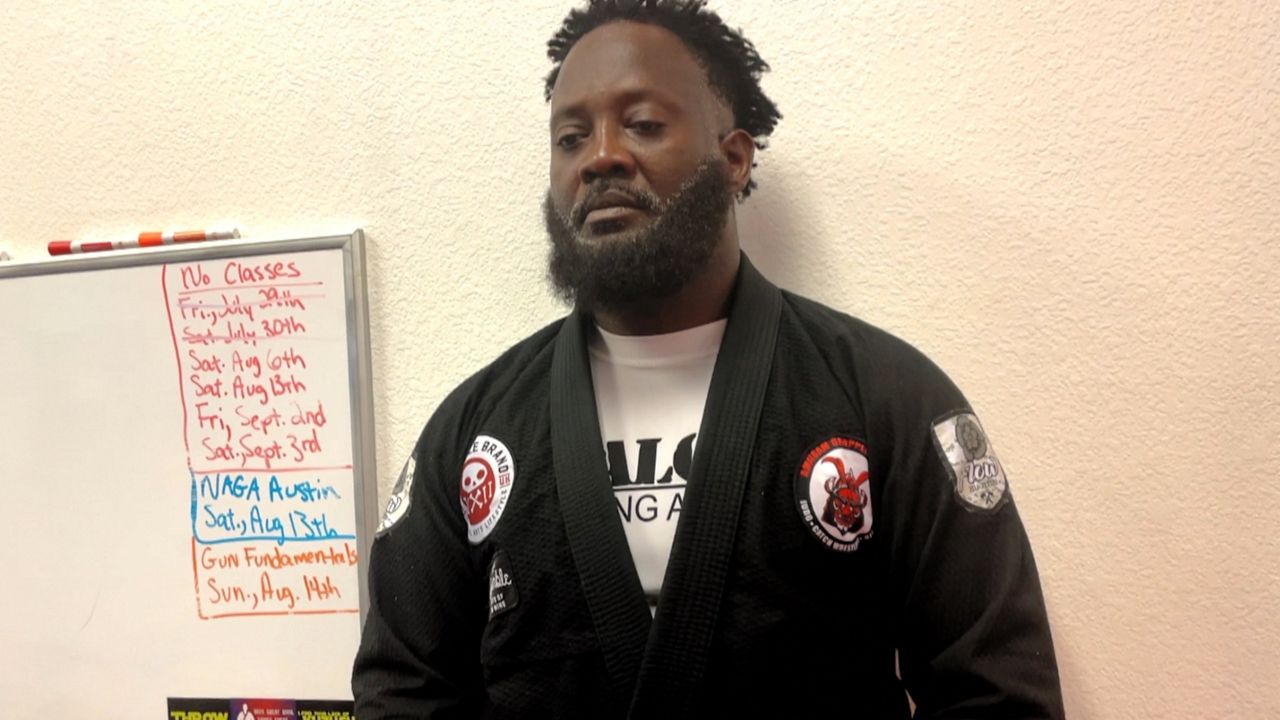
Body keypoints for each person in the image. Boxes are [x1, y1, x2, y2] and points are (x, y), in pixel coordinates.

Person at [353, 1, 1064, 717]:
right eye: (571, 137)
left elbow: (996, 690)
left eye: (643, 124)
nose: (600, 156)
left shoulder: (883, 396)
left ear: (733, 158)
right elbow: (403, 691)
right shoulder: (478, 430)